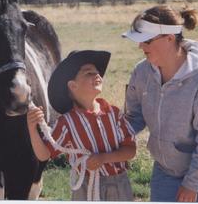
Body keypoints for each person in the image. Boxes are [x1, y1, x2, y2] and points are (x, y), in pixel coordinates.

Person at [122, 5, 198, 202]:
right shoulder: (141, 73)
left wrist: (192, 183)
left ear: (169, 38)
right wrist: (106, 134)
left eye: (146, 40)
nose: (140, 47)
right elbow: (134, 117)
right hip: (167, 165)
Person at [27, 50, 136, 201]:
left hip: (118, 184)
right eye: (88, 73)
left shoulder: (114, 114)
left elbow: (130, 151)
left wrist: (103, 158)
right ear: (73, 86)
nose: (97, 75)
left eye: (97, 72)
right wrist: (32, 129)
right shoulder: (67, 123)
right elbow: (44, 154)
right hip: (85, 187)